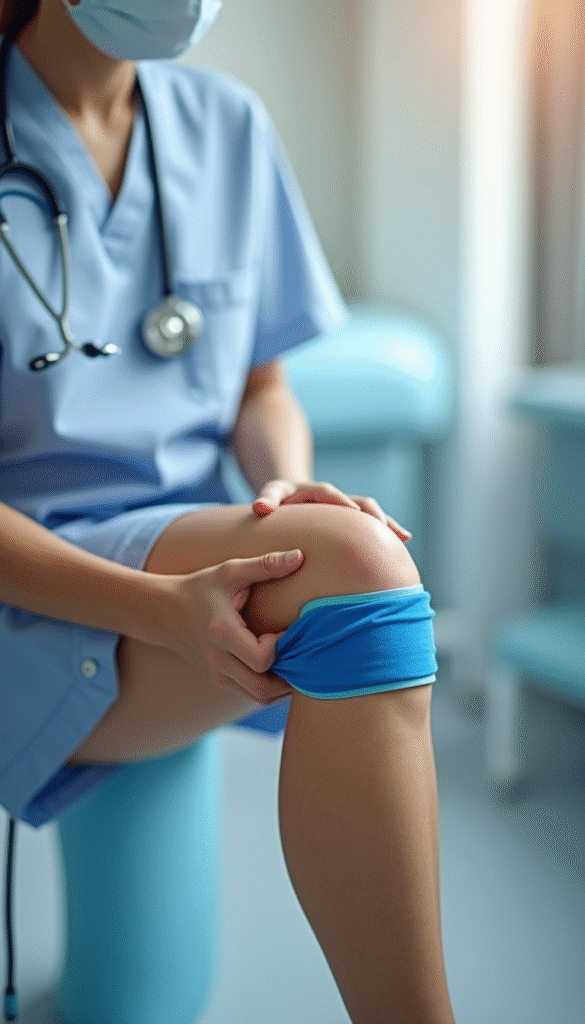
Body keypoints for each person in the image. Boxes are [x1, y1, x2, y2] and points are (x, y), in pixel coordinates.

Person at [0, 2, 457, 1022]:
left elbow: (262, 390)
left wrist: (285, 484)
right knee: (362, 570)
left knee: (352, 557)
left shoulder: (226, 126)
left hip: (180, 557)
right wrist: (154, 604)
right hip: (28, 572)